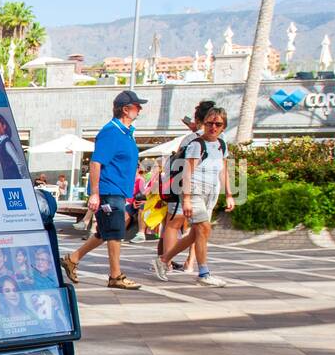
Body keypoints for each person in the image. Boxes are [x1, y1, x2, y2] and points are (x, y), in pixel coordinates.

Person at [60, 90, 146, 291]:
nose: (140, 110)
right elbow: (96, 162)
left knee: (106, 231)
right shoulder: (111, 132)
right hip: (109, 190)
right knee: (115, 232)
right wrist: (95, 193)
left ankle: (72, 259)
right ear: (126, 109)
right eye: (137, 107)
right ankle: (115, 276)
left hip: (118, 190)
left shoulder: (126, 133)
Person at [152, 106, 234, 287]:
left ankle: (164, 260)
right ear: (203, 124)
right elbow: (187, 173)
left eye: (218, 124)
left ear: (223, 126)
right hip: (194, 191)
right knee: (204, 228)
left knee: (198, 232)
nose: (213, 127)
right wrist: (187, 199)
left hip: (209, 193)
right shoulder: (197, 144)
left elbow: (224, 169)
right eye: (209, 123)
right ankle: (204, 273)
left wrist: (229, 194)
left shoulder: (222, 144)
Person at [0, 112, 25, 179]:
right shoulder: (1, 142)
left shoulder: (6, 142)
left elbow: (19, 163)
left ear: (4, 126)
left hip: (14, 179)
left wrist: (23, 179)